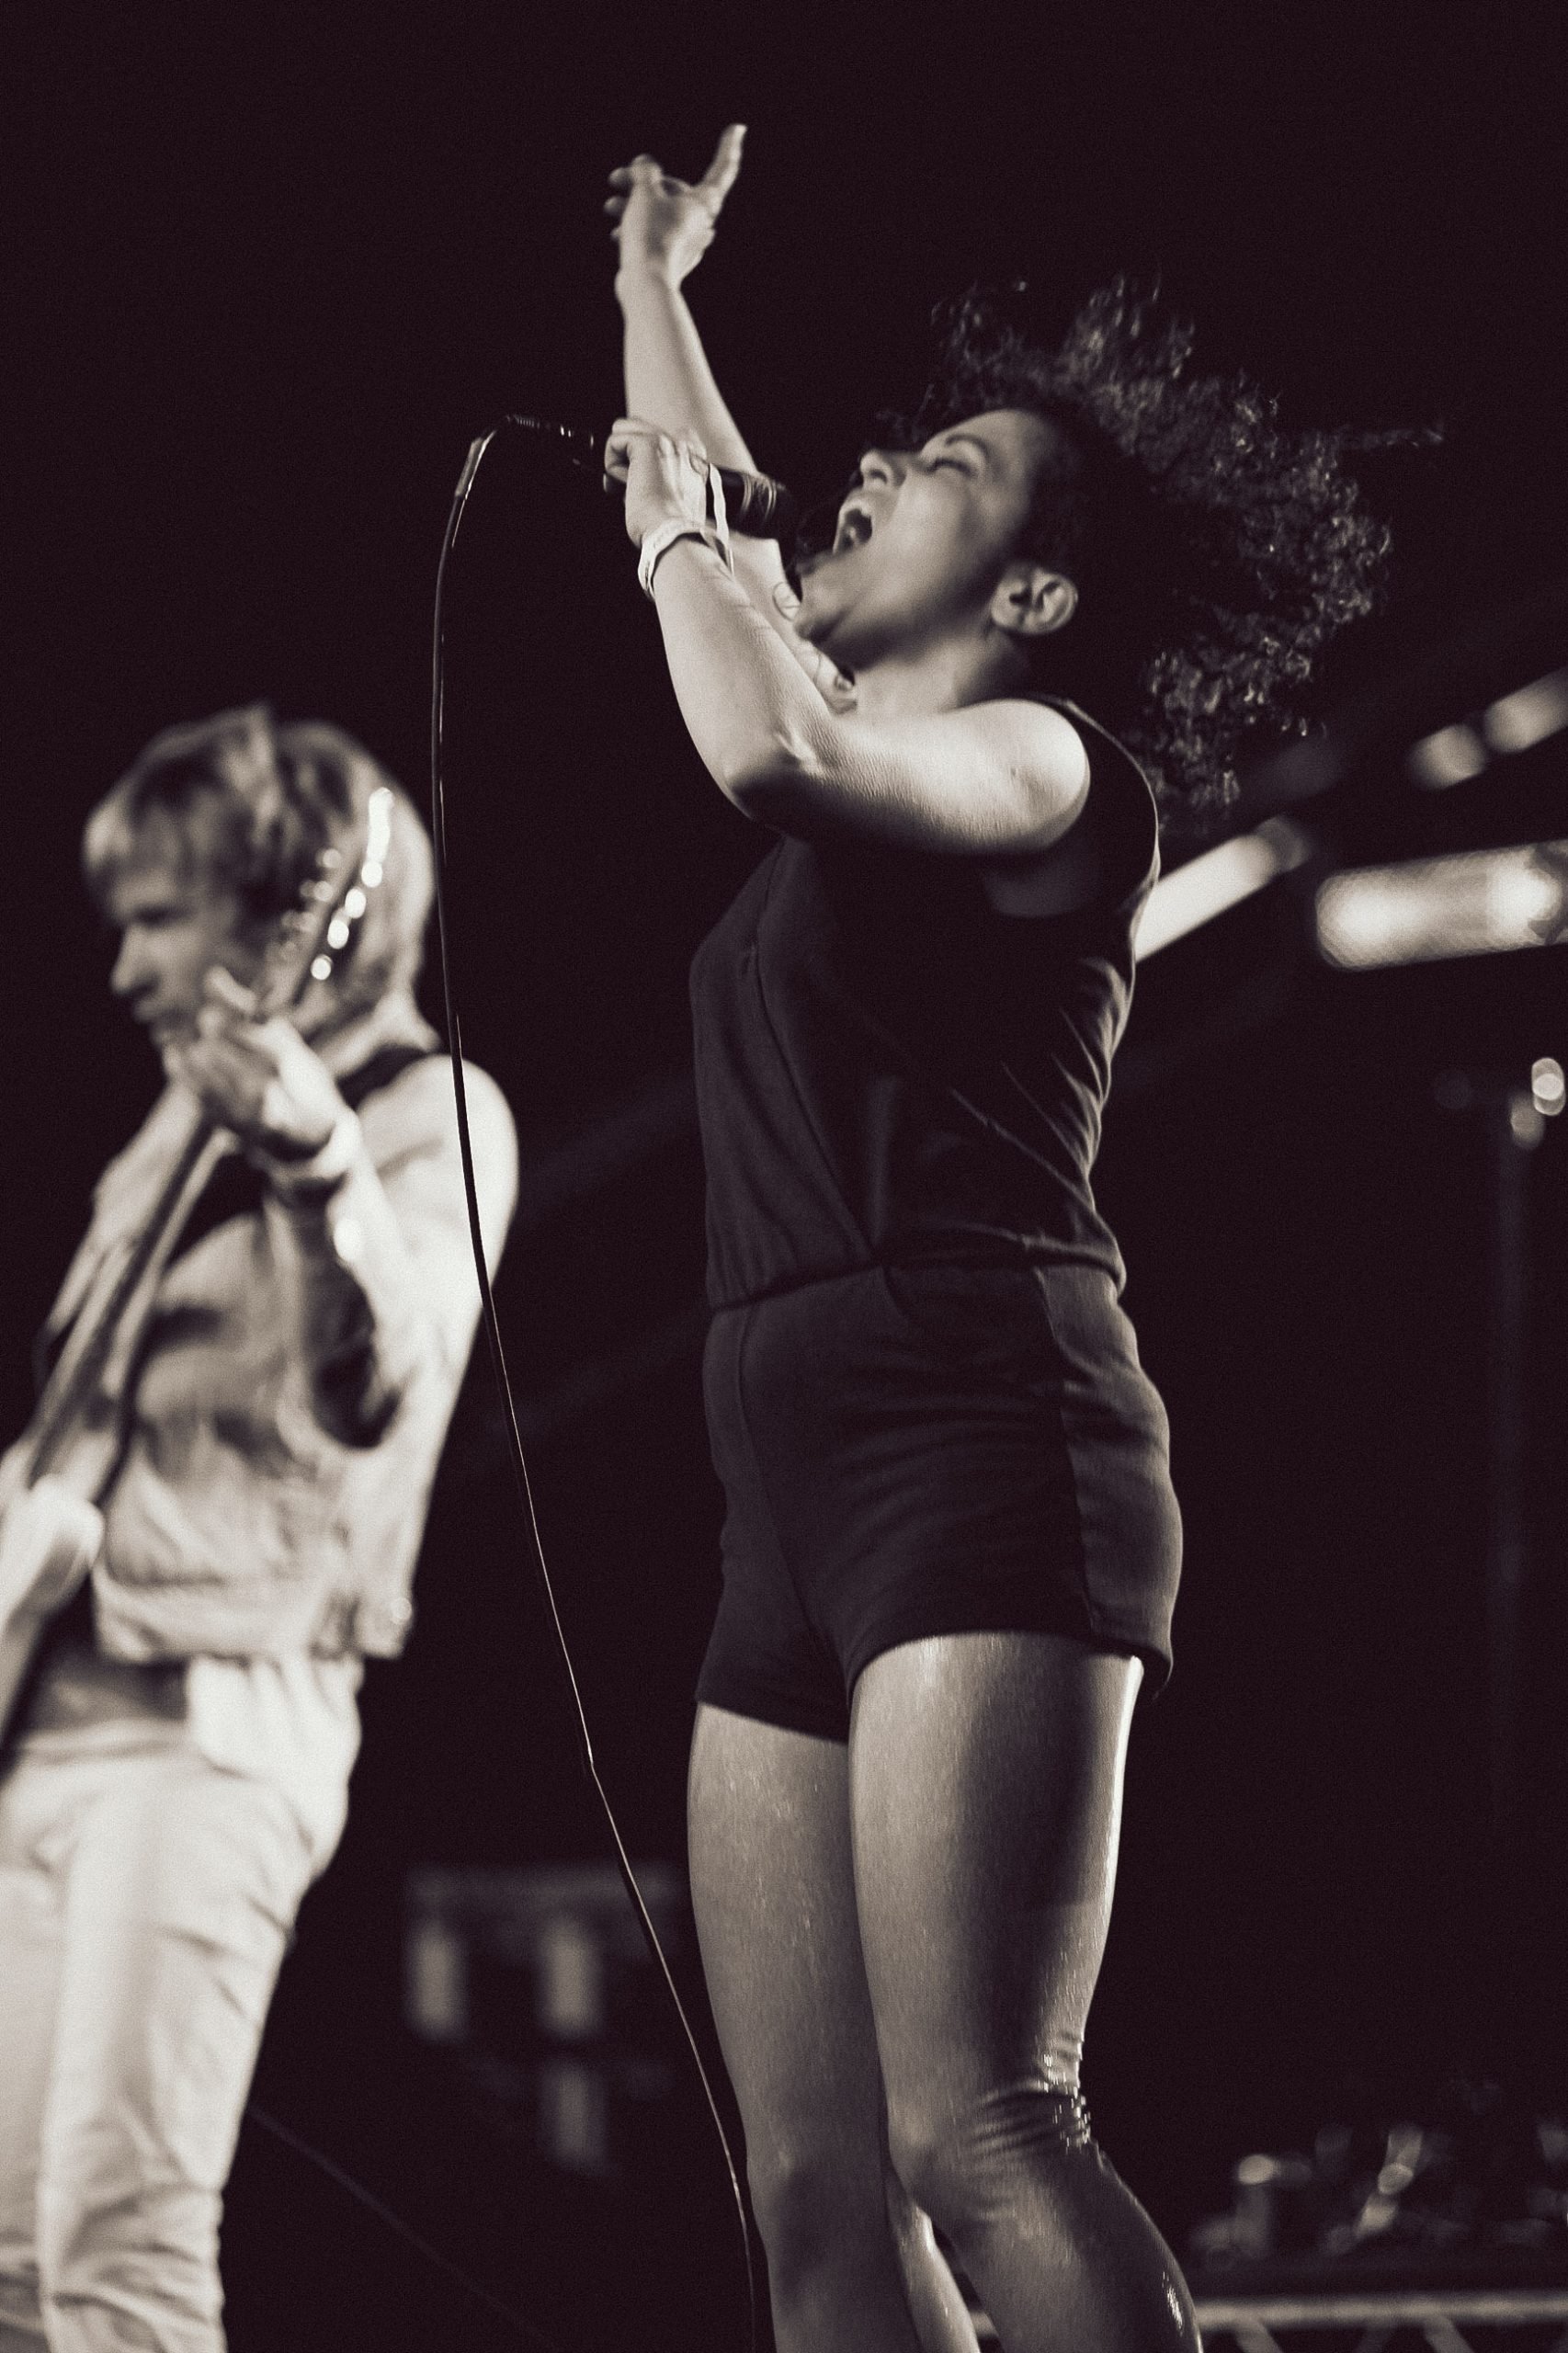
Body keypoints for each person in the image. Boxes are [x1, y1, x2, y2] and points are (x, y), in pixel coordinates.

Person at [600, 128, 1396, 2352]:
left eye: (937, 467)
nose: (866, 473)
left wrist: (678, 532)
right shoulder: (856, 734)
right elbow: (748, 585)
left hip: (976, 1419)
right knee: (811, 2186)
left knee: (984, 2122)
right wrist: (653, 280)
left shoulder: (1053, 766)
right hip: (782, 1475)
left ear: (1032, 596)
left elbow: (764, 733)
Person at [0, 705, 517, 2352]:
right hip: (43, 1724)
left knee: (123, 2247)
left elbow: (378, 1394)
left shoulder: (436, 1112)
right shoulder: (170, 1120)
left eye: (160, 918)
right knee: (9, 2268)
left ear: (295, 915)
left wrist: (312, 1161)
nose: (125, 970)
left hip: (211, 1733)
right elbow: (87, 1424)